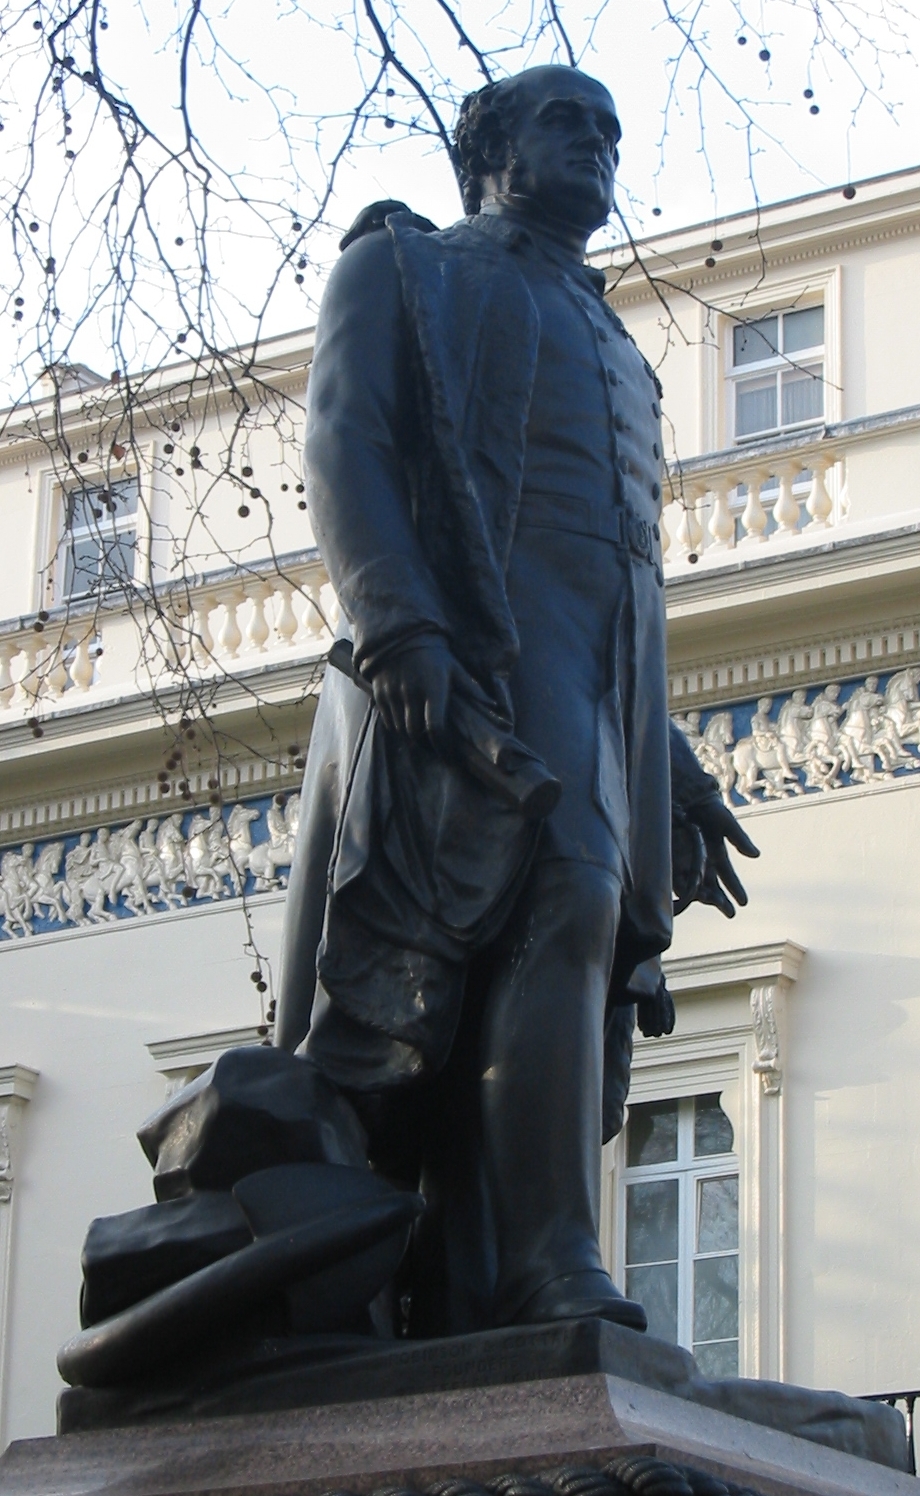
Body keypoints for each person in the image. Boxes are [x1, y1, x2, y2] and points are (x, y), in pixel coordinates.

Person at [276, 65, 757, 1337]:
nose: (597, 143)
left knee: (576, 929)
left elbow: (618, 579)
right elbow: (344, 440)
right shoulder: (405, 266)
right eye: (566, 121)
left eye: (610, 129)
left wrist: (668, 766)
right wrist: (399, 625)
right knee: (566, 894)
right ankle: (545, 1262)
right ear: (487, 148)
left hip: (591, 676)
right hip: (467, 647)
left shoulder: (619, 346)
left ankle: (490, 1267)